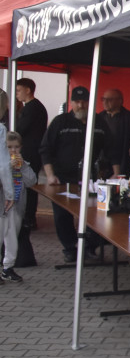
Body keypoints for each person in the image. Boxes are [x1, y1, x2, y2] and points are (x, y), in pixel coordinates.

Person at [39, 86, 107, 263]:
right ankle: (70, 248)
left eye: (84, 101)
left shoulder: (99, 122)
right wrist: (50, 175)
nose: (80, 105)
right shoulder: (60, 122)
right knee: (62, 215)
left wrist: (112, 174)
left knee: (94, 214)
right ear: (71, 103)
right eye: (77, 102)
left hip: (91, 179)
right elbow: (45, 149)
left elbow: (111, 149)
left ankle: (90, 247)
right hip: (63, 178)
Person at [1, 132, 36, 283]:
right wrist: (8, 166)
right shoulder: (2, 164)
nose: (13, 151)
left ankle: (8, 267)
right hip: (2, 206)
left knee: (12, 237)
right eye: (9, 147)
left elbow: (32, 181)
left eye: (16, 147)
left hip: (16, 206)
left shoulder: (24, 164)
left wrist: (22, 168)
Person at [14, 77, 47, 232]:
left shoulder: (32, 108)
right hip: (31, 151)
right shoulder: (33, 107)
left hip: (30, 153)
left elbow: (20, 129)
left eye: (19, 90)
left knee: (29, 186)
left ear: (28, 90)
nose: (16, 94)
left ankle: (29, 218)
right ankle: (29, 217)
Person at [96, 89, 130, 175]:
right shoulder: (99, 118)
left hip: (123, 163)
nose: (105, 102)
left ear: (120, 101)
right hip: (102, 165)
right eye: (103, 99)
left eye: (109, 100)